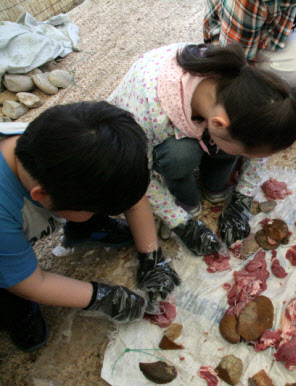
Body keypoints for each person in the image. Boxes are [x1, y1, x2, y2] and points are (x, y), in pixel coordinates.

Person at [0, 102, 180, 352]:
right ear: (41, 196)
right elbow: (30, 282)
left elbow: (132, 196)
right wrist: (103, 297)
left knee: (93, 198)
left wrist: (152, 257)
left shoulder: (69, 144)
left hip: (61, 197)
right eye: (98, 210)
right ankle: (17, 312)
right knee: (10, 284)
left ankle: (84, 229)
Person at [108, 43, 296, 253]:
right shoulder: (145, 113)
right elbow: (139, 175)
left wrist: (243, 197)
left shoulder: (243, 93)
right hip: (148, 132)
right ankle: (185, 197)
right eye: (243, 154)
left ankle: (214, 184)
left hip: (202, 123)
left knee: (231, 154)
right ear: (218, 124)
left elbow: (260, 142)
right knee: (180, 156)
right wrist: (178, 221)